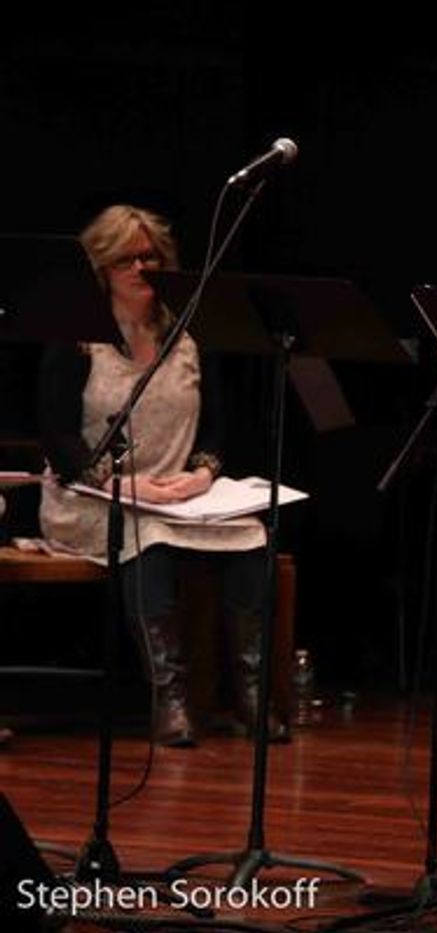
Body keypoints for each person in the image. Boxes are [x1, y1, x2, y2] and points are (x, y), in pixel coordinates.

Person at [37, 204, 285, 748]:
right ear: (103, 267)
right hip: (93, 497)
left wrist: (202, 475)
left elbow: (219, 428)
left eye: (151, 257)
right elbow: (58, 436)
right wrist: (118, 484)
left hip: (176, 494)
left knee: (251, 535)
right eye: (127, 258)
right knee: (144, 538)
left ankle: (250, 694)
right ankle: (168, 698)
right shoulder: (77, 338)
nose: (141, 268)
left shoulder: (189, 334)